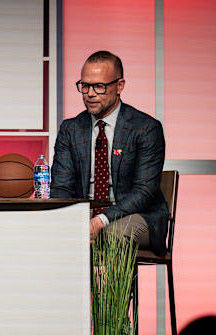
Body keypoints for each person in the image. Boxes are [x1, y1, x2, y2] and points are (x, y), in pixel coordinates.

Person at [51, 50, 168, 255]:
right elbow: (61, 188)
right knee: (46, 232)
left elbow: (144, 191)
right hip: (84, 216)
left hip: (138, 215)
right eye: (85, 85)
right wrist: (66, 221)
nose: (90, 93)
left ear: (119, 86)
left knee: (111, 234)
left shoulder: (145, 128)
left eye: (99, 86)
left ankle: (111, 289)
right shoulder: (71, 129)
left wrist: (100, 220)